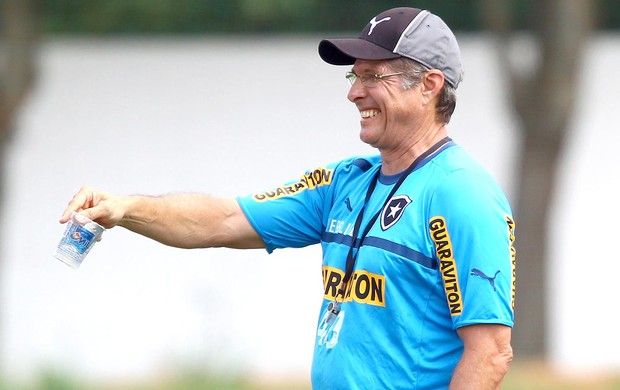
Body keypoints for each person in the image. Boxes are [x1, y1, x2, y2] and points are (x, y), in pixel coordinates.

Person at [60, 7, 516, 389]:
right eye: (353, 77)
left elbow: (490, 351)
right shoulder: (345, 182)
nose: (355, 93)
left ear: (430, 85)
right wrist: (124, 209)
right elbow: (221, 220)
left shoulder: (462, 194)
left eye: (373, 76)